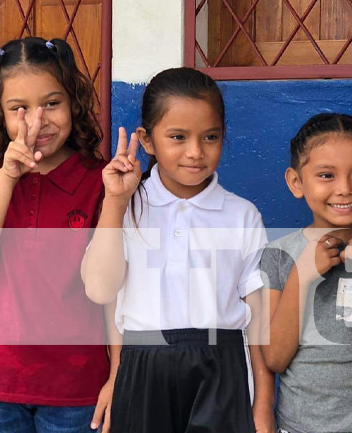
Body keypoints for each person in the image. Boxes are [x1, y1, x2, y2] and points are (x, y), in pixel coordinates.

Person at [81, 67, 274, 433]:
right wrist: (114, 202)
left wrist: (263, 403)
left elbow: (258, 320)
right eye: (178, 136)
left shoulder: (241, 214)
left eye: (210, 137)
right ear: (147, 140)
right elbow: (102, 291)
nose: (195, 152)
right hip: (142, 366)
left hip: (223, 368)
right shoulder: (127, 207)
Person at [0, 37, 117, 432]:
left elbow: (113, 294)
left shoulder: (100, 182)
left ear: (73, 102)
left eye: (52, 103)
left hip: (77, 392)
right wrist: (8, 178)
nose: (37, 121)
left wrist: (118, 374)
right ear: (0, 114)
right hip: (0, 387)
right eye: (19, 109)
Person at [260, 113, 352, 433]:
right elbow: (275, 358)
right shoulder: (277, 255)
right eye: (326, 175)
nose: (345, 189)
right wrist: (301, 275)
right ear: (296, 182)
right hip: (296, 426)